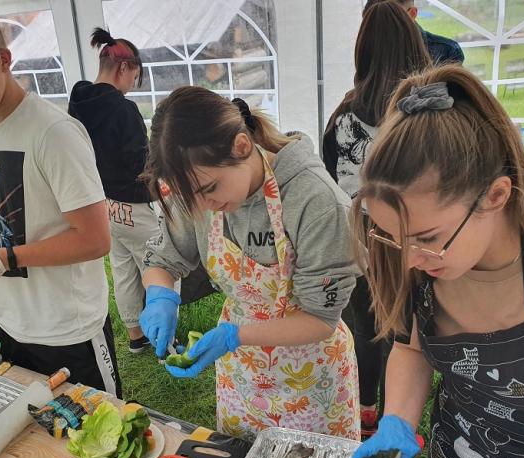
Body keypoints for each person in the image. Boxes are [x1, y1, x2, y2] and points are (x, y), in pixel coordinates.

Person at [348, 64, 524, 458]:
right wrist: (394, 424)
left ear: (495, 196)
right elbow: (413, 348)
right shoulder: (420, 258)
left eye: (428, 239)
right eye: (396, 239)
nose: (410, 258)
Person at [0, 0, 122, 396]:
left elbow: (95, 239)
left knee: (98, 439)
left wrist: (1, 257)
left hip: (70, 327)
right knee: (36, 432)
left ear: (3, 59)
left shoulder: (53, 133)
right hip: (11, 323)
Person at [141, 87, 360, 440]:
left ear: (242, 146)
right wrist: (160, 294)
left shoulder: (316, 201)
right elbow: (163, 260)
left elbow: (319, 319)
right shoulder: (198, 187)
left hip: (309, 373)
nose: (205, 205)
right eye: (191, 196)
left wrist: (233, 337)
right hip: (242, 373)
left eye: (210, 189)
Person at [323, 0, 431, 437]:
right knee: (405, 335)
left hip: (361, 238)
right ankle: (393, 418)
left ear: (362, 48)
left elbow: (331, 183)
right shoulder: (428, 109)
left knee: (363, 327)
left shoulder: (345, 114)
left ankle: (365, 411)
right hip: (418, 239)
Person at [68, 28, 157, 355]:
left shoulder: (77, 100)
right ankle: (164, 338)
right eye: (135, 76)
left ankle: (136, 336)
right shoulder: (124, 110)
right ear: (123, 68)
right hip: (133, 205)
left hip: (100, 204)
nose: (134, 84)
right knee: (159, 268)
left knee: (123, 269)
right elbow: (140, 163)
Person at [364, 0, 464, 64]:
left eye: (390, 19)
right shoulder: (368, 49)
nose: (379, 31)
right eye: (370, 23)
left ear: (412, 14)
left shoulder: (446, 52)